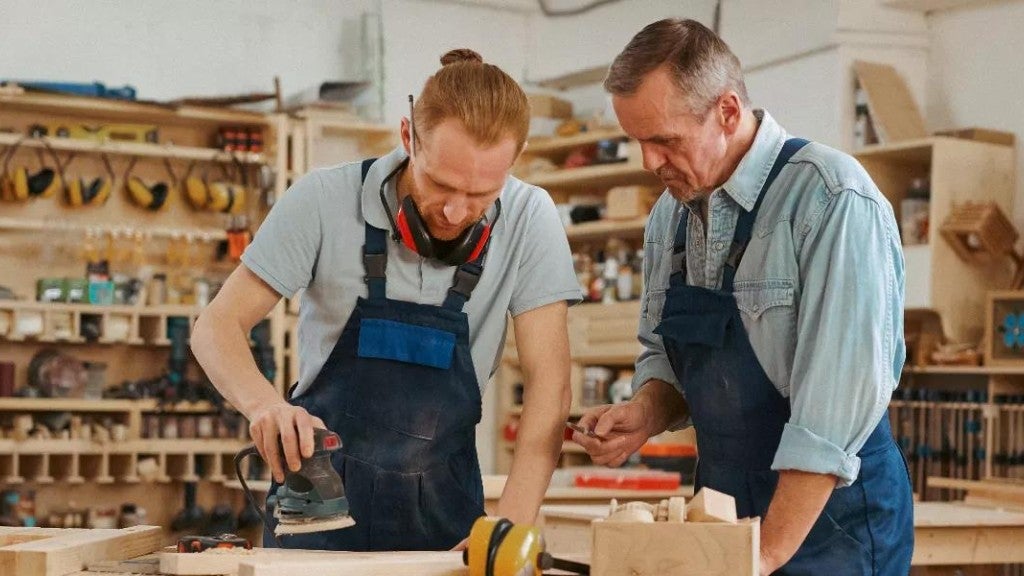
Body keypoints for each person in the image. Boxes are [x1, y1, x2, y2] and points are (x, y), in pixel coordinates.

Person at [192, 48, 580, 551]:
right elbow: (215, 326)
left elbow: (550, 386)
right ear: (407, 137)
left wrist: (507, 529)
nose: (455, 211)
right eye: (440, 183)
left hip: (446, 514)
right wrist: (263, 405)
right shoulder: (322, 200)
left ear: (516, 158)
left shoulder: (530, 218)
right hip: (318, 507)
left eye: (482, 193)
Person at [572, 19, 913, 575]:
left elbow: (833, 413)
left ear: (727, 112)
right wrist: (644, 412)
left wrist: (767, 554)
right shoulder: (670, 215)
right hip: (724, 511)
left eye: (664, 140)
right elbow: (667, 356)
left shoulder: (831, 200)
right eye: (638, 141)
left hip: (833, 525)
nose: (647, 163)